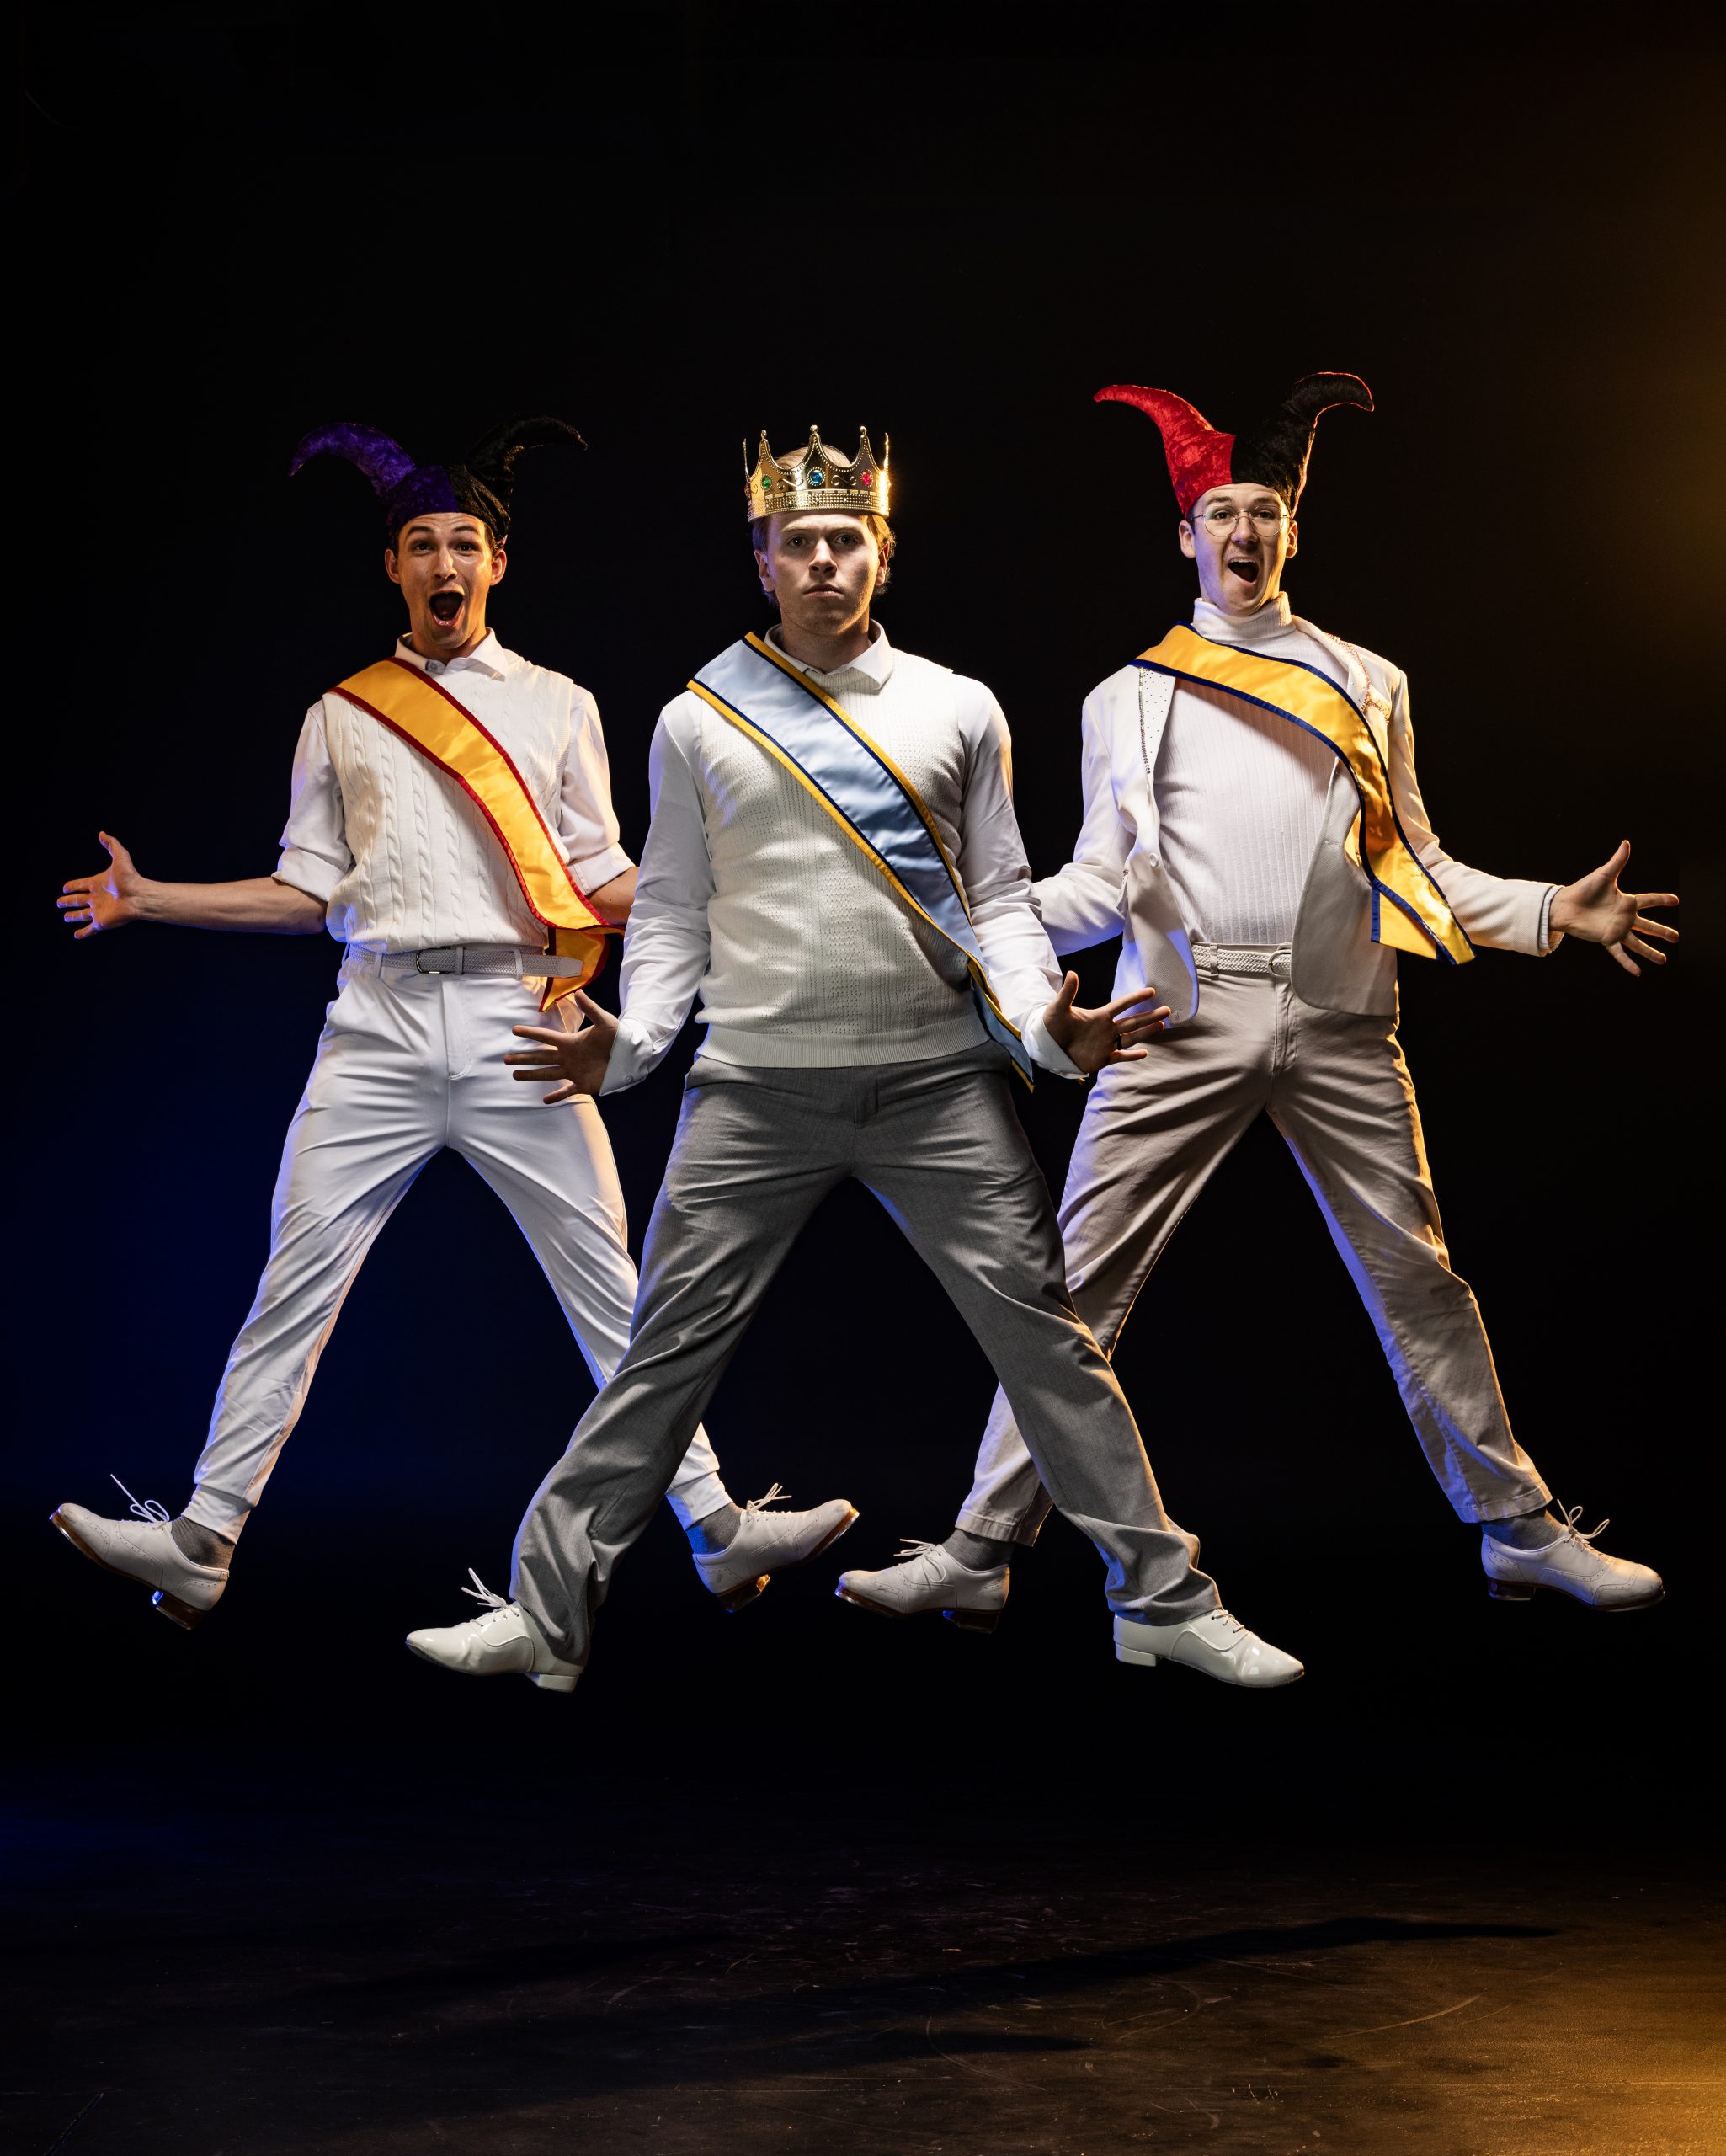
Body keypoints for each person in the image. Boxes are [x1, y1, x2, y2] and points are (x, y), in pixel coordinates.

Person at [404, 423, 1302, 1696]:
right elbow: (667, 908)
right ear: (761, 559)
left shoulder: (956, 708)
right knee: (659, 1359)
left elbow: (997, 895)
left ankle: (1160, 1597)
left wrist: (1048, 1023)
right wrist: (635, 1046)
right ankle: (548, 1619)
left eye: (846, 539)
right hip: (752, 1089)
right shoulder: (697, 715)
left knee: (1050, 1350)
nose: (823, 560)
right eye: (798, 542)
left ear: (882, 552)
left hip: (939, 1084)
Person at [836, 375, 1673, 1628]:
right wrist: (972, 934)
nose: (1243, 532)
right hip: (1175, 1023)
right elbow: (1106, 878)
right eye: (1221, 511)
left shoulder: (1367, 680)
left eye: (1265, 512)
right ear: (1185, 534)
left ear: (1292, 532)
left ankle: (1516, 1529)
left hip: (1340, 1022)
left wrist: (1557, 910)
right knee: (1072, 1288)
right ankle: (977, 1543)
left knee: (1420, 1282)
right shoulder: (1126, 695)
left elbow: (1417, 865)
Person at [51, 416, 851, 1630]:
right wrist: (149, 897)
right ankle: (203, 1539)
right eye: (420, 543)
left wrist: (741, 903)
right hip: (372, 1026)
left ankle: (717, 1528)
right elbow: (307, 893)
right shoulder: (341, 714)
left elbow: (597, 877)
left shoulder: (557, 703)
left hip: (519, 1020)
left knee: (613, 1293)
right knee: (293, 1287)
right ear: (393, 568)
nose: (443, 563)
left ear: (497, 563)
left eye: (463, 542)